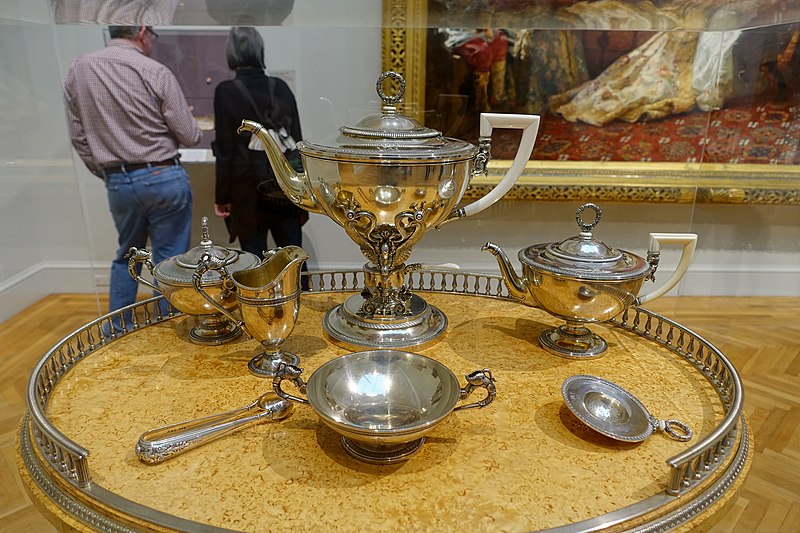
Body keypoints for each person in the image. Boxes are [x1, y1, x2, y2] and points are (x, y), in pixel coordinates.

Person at [64, 25, 201, 319]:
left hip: (119, 181)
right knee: (170, 261)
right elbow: (190, 135)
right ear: (141, 31)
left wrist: (111, 173)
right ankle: (164, 329)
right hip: (163, 176)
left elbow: (78, 137)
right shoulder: (154, 70)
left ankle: (117, 333)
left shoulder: (79, 68)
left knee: (127, 257)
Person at [212, 26, 308, 267]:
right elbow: (298, 144)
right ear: (259, 50)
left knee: (253, 264)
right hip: (284, 188)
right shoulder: (281, 87)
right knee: (294, 261)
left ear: (232, 54)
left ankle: (258, 306)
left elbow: (225, 150)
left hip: (246, 190)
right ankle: (302, 303)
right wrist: (304, 195)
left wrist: (222, 196)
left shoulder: (225, 92)